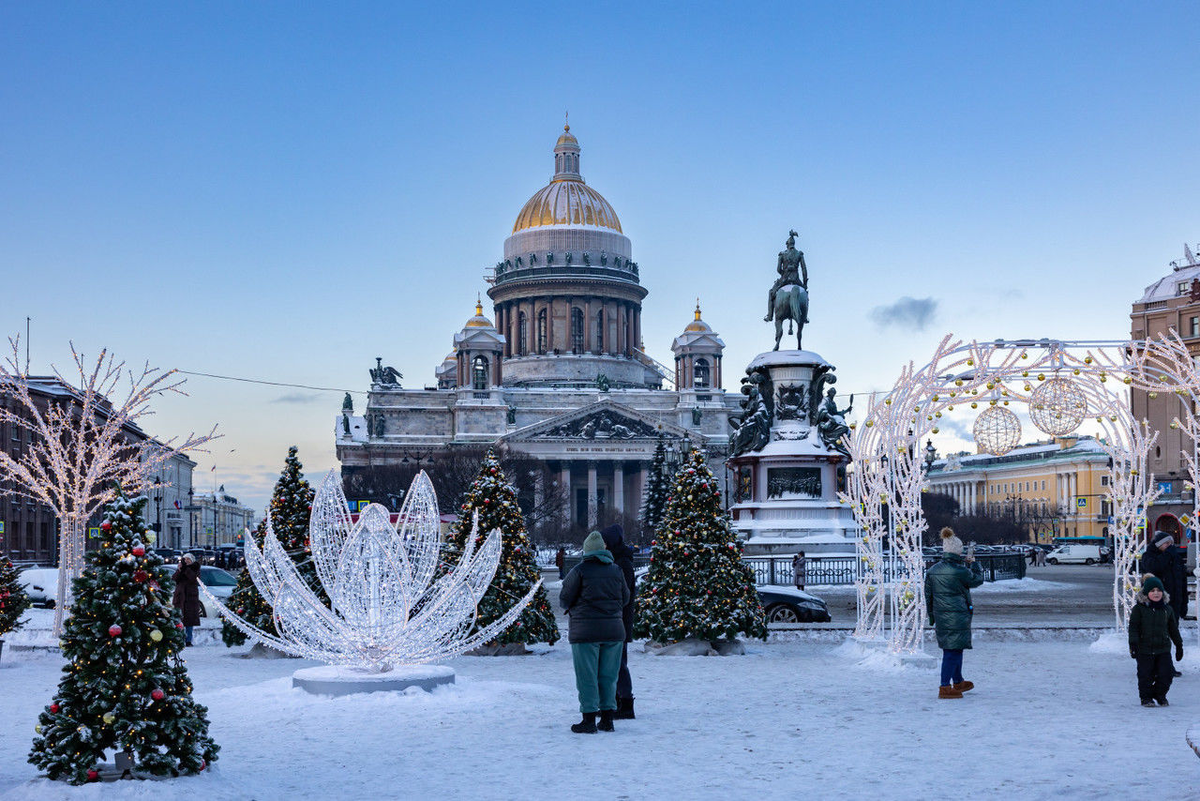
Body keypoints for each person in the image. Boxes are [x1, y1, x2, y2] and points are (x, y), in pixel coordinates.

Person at [560, 530, 629, 734]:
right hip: (614, 632)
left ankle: (589, 720)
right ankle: (607, 719)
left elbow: (564, 599)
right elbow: (625, 598)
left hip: (585, 633)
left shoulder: (579, 571)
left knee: (587, 676)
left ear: (587, 551)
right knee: (609, 676)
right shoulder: (616, 570)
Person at [924, 527, 984, 699]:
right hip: (957, 616)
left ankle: (958, 681)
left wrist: (932, 616)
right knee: (952, 651)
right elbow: (977, 580)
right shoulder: (960, 570)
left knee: (955, 648)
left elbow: (928, 595)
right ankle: (945, 687)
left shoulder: (933, 570)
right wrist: (974, 563)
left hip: (942, 616)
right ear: (958, 551)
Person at [1128, 574, 1183, 707]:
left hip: (1163, 648)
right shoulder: (1139, 609)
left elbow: (1173, 629)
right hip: (1144, 649)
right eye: (1152, 591)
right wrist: (1133, 644)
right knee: (1145, 675)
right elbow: (1134, 628)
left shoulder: (1167, 609)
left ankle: (1159, 695)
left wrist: (1179, 645)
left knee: (1167, 674)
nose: (1156, 593)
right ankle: (1146, 698)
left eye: (1159, 590)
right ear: (1147, 593)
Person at [601, 524, 637, 720]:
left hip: (620, 621)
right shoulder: (616, 559)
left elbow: (623, 594)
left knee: (619, 663)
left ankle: (626, 704)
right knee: (612, 663)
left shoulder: (623, 563)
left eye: (605, 541)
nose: (603, 545)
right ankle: (615, 702)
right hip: (614, 620)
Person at [172, 553, 202, 647]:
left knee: (189, 621)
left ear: (192, 560)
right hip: (180, 597)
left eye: (188, 559)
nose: (186, 561)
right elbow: (174, 579)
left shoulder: (195, 568)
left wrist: (186, 569)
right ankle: (179, 639)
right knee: (179, 620)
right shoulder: (181, 568)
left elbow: (193, 578)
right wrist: (179, 570)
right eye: (185, 559)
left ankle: (188, 640)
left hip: (190, 598)